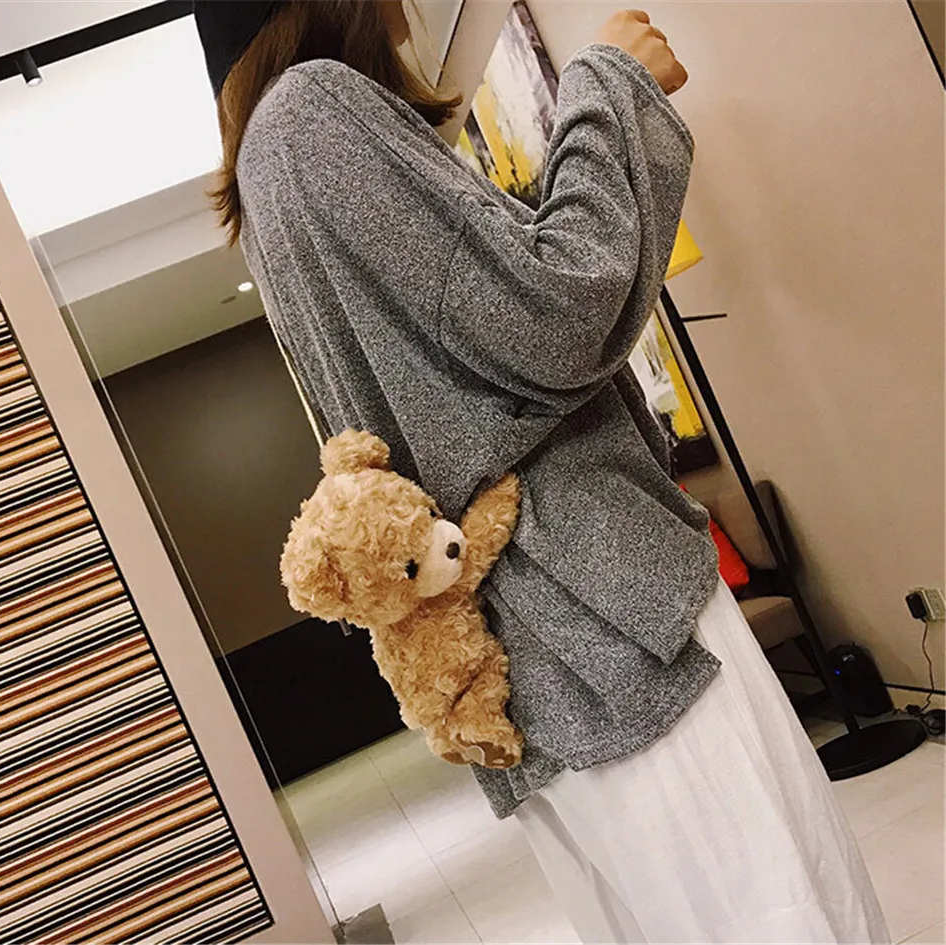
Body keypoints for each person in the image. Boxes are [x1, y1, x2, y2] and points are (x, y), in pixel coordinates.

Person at [193, 3, 889, 941]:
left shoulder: (276, 152)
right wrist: (608, 85)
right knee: (784, 906)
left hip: (554, 639)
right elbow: (553, 314)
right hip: (597, 618)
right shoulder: (312, 111)